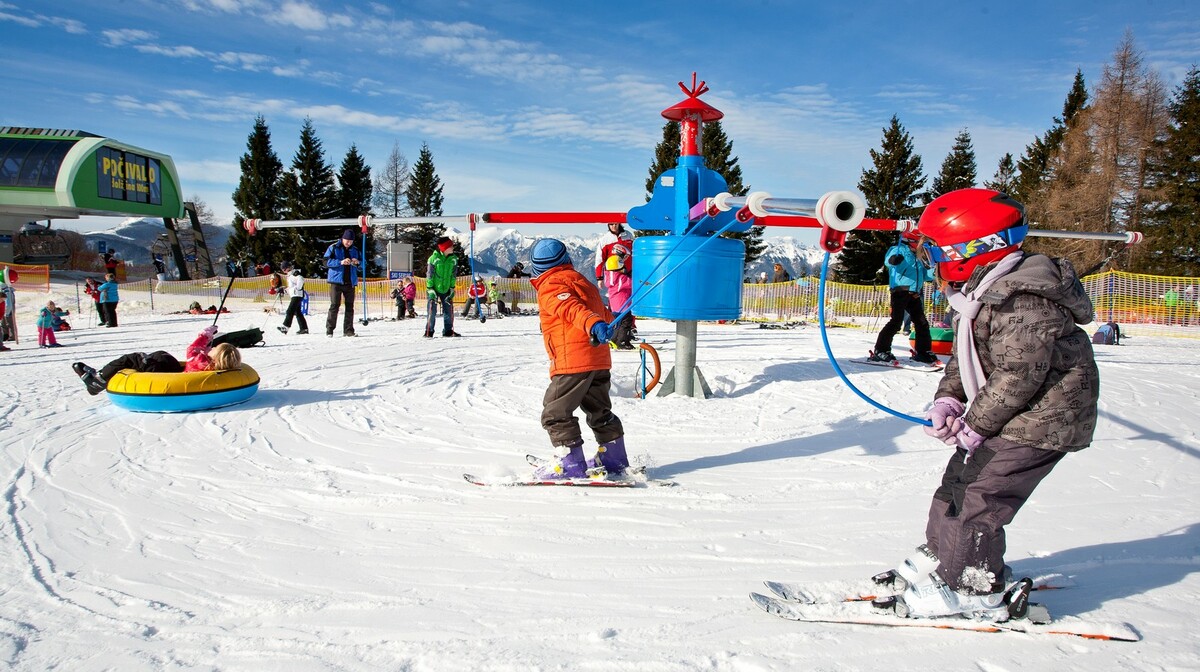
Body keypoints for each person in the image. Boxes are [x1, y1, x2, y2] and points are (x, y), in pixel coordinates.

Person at [883, 188, 1099, 622]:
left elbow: (1020, 375)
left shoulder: (1021, 300)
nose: (932, 264)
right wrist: (948, 399)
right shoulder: (980, 292)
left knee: (984, 495)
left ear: (971, 249)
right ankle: (945, 556)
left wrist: (976, 422)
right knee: (958, 481)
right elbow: (974, 360)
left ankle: (974, 588)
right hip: (1012, 412)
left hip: (1043, 419)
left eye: (935, 252)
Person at [529, 238, 630, 480]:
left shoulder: (551, 284)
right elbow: (601, 312)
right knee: (600, 410)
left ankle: (570, 463)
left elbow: (572, 309)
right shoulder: (581, 281)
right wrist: (605, 322)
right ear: (566, 259)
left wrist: (594, 324)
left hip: (573, 361)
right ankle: (614, 458)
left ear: (536, 268)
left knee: (555, 412)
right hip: (598, 359)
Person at [72, 325, 242, 396]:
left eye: (213, 349)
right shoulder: (212, 365)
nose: (210, 349)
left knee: (132, 358)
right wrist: (207, 349)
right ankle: (150, 360)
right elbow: (201, 355)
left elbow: (192, 350)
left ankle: (98, 380)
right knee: (162, 355)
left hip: (169, 378)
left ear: (215, 356)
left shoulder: (201, 361)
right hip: (178, 373)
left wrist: (205, 335)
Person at [868, 229, 936, 364]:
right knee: (896, 322)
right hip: (900, 291)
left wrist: (936, 271)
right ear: (912, 241)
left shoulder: (918, 256)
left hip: (914, 293)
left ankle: (923, 351)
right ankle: (881, 350)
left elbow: (925, 274)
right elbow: (889, 261)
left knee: (921, 323)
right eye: (920, 242)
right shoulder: (899, 249)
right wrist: (893, 260)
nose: (922, 245)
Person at [324, 229, 361, 337]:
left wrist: (357, 262)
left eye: (350, 241)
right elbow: (325, 262)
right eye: (346, 240)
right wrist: (340, 262)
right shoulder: (333, 247)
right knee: (334, 305)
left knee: (350, 307)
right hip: (336, 281)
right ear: (342, 238)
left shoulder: (355, 250)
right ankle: (330, 329)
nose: (348, 242)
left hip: (350, 282)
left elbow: (364, 263)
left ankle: (348, 330)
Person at [425, 236, 459, 337]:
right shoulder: (433, 259)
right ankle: (429, 331)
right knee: (432, 310)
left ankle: (448, 330)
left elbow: (453, 274)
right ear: (445, 248)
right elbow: (429, 274)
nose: (453, 248)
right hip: (434, 288)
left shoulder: (453, 259)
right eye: (451, 246)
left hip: (447, 288)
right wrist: (430, 288)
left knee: (448, 310)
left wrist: (452, 287)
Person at [603, 243, 634, 350]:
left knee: (617, 323)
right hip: (623, 304)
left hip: (615, 304)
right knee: (626, 322)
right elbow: (631, 283)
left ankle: (614, 339)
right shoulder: (620, 279)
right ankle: (623, 341)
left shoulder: (610, 276)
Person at [592, 222, 630, 288]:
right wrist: (599, 278)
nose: (614, 226)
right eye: (611, 224)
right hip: (614, 273)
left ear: (619, 224)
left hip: (629, 271)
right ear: (608, 225)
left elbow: (634, 251)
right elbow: (600, 259)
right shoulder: (605, 239)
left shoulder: (628, 235)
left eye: (616, 224)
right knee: (617, 293)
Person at [277, 263, 309, 335]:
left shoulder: (294, 273)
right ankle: (304, 328)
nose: (284, 271)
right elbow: (291, 287)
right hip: (295, 295)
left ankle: (285, 327)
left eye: (284, 269)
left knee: (290, 311)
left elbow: (300, 279)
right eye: (282, 269)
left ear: (289, 267)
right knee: (298, 312)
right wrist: (284, 290)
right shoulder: (289, 275)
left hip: (297, 295)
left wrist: (298, 288)